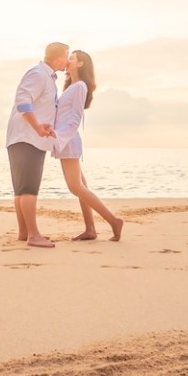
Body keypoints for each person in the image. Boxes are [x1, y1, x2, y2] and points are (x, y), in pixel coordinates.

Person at [52, 50, 123, 241]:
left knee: (75, 187)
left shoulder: (80, 86)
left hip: (67, 140)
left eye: (72, 58)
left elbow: (75, 117)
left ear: (81, 64)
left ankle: (114, 221)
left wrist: (60, 136)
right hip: (63, 140)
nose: (68, 60)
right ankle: (90, 229)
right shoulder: (71, 86)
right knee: (81, 185)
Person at [6, 42, 68, 248]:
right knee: (29, 189)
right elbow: (23, 100)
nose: (68, 61)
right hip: (27, 137)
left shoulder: (46, 77)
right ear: (59, 59)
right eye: (67, 57)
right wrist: (37, 127)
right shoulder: (39, 74)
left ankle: (24, 233)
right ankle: (33, 235)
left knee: (21, 190)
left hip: (25, 137)